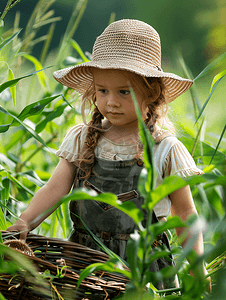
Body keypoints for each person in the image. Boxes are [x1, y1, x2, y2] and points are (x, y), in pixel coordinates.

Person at [7, 19, 209, 290]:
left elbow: (184, 212)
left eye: (124, 92)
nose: (111, 102)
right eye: (102, 91)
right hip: (84, 261)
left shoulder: (164, 149)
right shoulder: (82, 139)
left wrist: (198, 268)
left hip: (142, 267)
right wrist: (25, 220)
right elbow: (55, 188)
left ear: (152, 93)